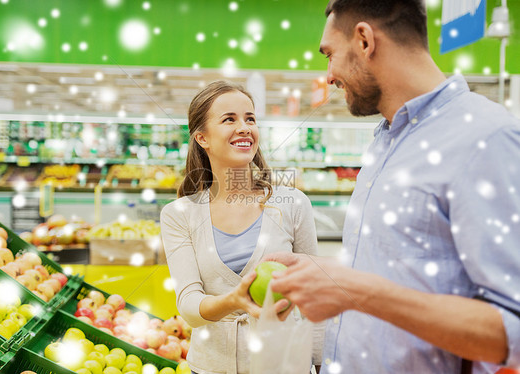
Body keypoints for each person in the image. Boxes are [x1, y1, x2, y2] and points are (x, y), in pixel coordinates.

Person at [266, 1, 520, 373]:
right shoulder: (388, 139)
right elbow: (412, 268)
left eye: (330, 54)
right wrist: (328, 271)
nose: (330, 75)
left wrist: (355, 290)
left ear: (365, 40)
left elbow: (510, 333)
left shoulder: (487, 138)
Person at [160, 81, 323, 374]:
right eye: (229, 119)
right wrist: (233, 301)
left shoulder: (292, 204)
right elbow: (189, 306)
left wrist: (322, 363)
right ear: (202, 138)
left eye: (250, 119)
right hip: (210, 367)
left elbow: (316, 296)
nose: (245, 127)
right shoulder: (179, 214)